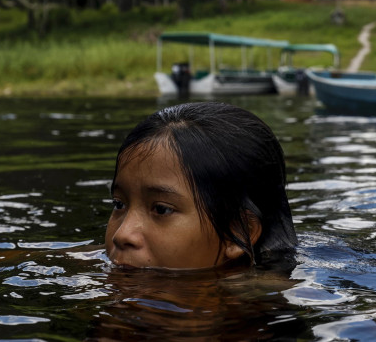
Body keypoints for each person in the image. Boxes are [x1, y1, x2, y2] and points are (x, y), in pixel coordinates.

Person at [105, 101, 297, 270]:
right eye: (119, 204)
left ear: (239, 231)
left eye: (161, 209)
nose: (122, 235)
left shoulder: (256, 306)